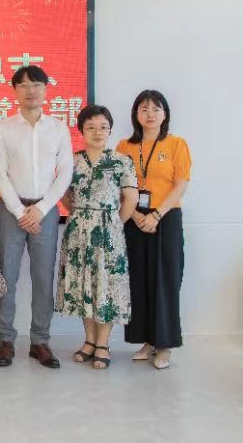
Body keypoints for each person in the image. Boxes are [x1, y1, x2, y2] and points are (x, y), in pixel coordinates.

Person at [0, 65, 73, 369]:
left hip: (46, 213)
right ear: (15, 91)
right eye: (23, 85)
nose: (31, 90)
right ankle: (5, 340)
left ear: (46, 89)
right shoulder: (3, 128)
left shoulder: (58, 128)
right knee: (6, 278)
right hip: (11, 211)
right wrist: (19, 211)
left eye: (36, 84)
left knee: (42, 277)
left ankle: (40, 341)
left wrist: (42, 208)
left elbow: (65, 172)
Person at [56, 105, 138, 370]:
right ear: (81, 130)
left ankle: (103, 343)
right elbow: (64, 195)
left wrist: (113, 222)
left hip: (108, 232)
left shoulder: (121, 161)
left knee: (106, 286)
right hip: (78, 231)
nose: (98, 132)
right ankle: (89, 341)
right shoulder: (71, 160)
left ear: (110, 130)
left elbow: (131, 198)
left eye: (103, 127)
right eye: (91, 127)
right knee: (84, 286)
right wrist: (81, 214)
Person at [116, 90, 191, 370]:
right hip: (134, 219)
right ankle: (148, 340)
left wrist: (157, 214)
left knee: (165, 280)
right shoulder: (124, 146)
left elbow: (181, 184)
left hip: (166, 218)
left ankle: (164, 346)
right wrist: (136, 215)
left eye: (155, 109)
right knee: (139, 280)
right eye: (144, 109)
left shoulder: (176, 144)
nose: (150, 114)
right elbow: (117, 186)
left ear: (165, 114)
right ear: (135, 114)